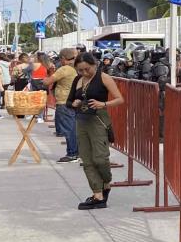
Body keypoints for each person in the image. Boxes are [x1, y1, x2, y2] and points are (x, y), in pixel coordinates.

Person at [67, 52, 125, 210]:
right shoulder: (78, 80)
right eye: (80, 70)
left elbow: (120, 99)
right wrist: (75, 103)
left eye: (87, 69)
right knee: (87, 159)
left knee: (100, 158)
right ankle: (97, 194)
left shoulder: (104, 78)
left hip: (98, 120)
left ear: (94, 65)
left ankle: (106, 183)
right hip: (82, 121)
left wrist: (103, 104)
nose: (84, 73)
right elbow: (69, 101)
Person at [46, 49, 80, 163]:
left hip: (64, 102)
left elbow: (48, 81)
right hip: (72, 101)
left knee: (68, 129)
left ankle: (72, 154)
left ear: (63, 58)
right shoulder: (75, 67)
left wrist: (43, 80)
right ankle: (76, 152)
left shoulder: (65, 69)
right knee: (73, 128)